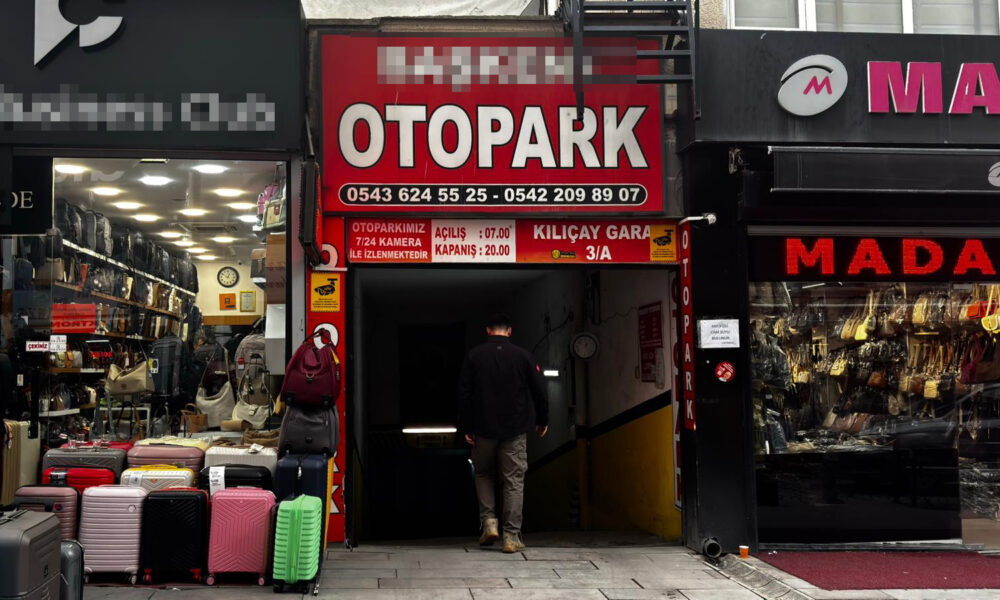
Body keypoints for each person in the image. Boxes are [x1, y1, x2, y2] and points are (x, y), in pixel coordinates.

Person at [458, 313, 548, 553]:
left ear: (488, 330)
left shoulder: (474, 356)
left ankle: (489, 523)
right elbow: (539, 389)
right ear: (510, 331)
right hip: (515, 430)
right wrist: (542, 419)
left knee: (483, 473)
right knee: (513, 480)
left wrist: (466, 426)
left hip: (483, 428)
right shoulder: (523, 356)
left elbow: (464, 393)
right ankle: (511, 536)